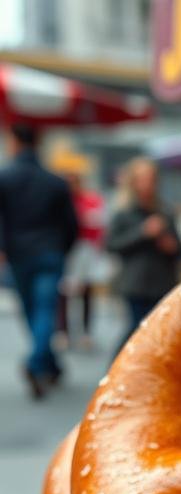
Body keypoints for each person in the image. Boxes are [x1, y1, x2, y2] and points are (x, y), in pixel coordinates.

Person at [0, 123, 79, 399]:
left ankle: (35, 363)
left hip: (19, 255)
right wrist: (62, 250)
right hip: (50, 253)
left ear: (14, 142)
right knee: (44, 310)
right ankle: (49, 364)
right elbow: (72, 224)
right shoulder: (55, 181)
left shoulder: (5, 177)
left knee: (33, 311)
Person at [105, 157, 181, 352]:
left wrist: (171, 246)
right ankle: (116, 369)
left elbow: (180, 249)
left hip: (163, 282)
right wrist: (143, 233)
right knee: (136, 331)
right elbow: (112, 245)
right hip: (135, 284)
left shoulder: (165, 211)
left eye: (151, 178)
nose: (148, 183)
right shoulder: (124, 212)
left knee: (157, 334)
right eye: (143, 178)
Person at [51, 150, 107, 352]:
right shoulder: (60, 202)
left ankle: (85, 332)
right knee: (64, 293)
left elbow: (98, 224)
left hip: (86, 250)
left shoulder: (90, 200)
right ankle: (63, 331)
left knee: (86, 292)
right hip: (68, 250)